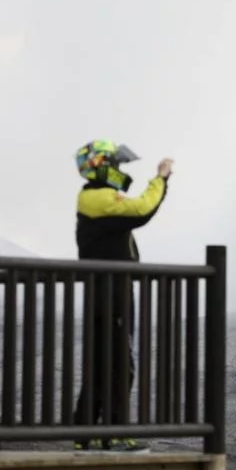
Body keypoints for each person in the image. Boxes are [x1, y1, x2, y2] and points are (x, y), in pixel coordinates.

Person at [72, 140, 173, 452]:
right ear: (101, 168)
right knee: (119, 363)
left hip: (106, 290)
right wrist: (161, 178)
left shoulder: (94, 197)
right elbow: (142, 208)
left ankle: (85, 433)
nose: (119, 171)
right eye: (115, 166)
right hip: (111, 292)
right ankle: (114, 434)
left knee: (103, 363)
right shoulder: (98, 197)